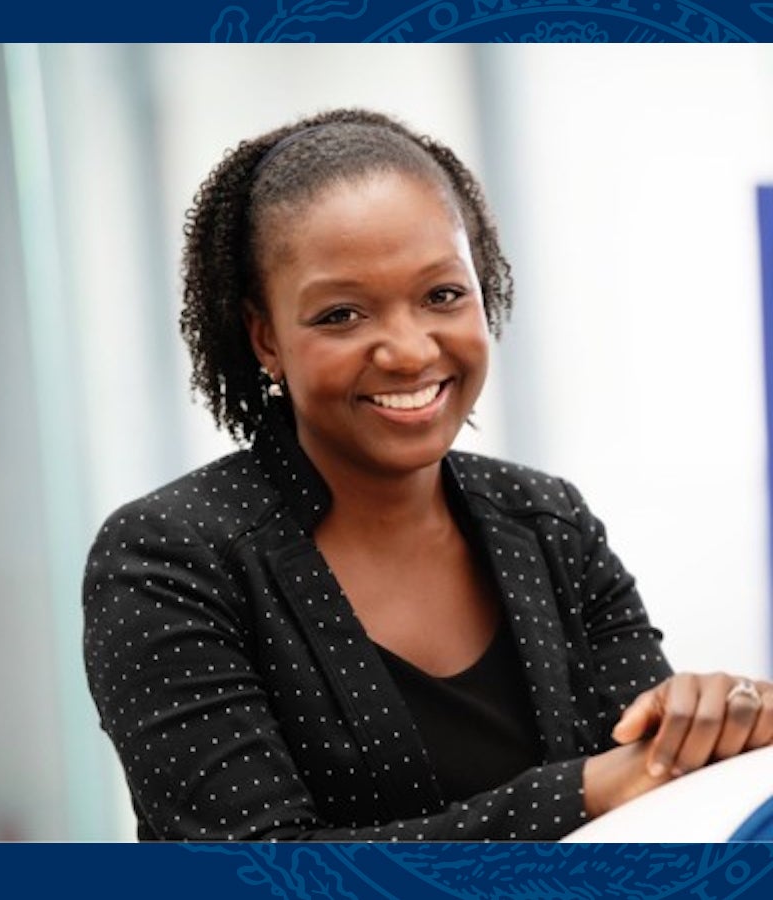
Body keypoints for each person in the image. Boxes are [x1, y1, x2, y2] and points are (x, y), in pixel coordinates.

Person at [82, 108, 773, 841]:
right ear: (266, 339)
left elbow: (653, 794)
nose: (409, 351)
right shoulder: (168, 559)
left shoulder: (548, 522)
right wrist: (578, 793)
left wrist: (710, 731)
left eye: (443, 294)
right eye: (342, 314)